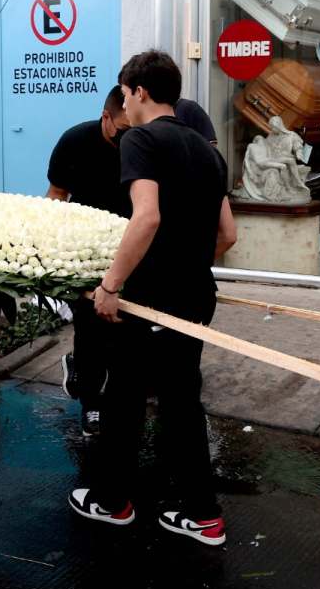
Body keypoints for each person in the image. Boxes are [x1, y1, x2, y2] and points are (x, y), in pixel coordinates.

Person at [68, 50, 238, 546]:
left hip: (149, 300)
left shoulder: (140, 139)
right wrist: (186, 261)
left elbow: (146, 218)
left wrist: (110, 286)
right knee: (178, 396)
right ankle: (198, 512)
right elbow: (227, 233)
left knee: (126, 397)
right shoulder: (209, 149)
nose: (124, 102)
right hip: (196, 295)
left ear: (139, 92)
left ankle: (113, 502)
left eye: (124, 94)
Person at [46, 86, 132, 437]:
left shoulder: (141, 146)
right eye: (122, 130)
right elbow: (56, 195)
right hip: (84, 254)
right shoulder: (75, 141)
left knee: (123, 333)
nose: (128, 137)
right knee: (92, 331)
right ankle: (91, 404)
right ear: (105, 116)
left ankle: (93, 380)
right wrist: (53, 252)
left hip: (129, 250)